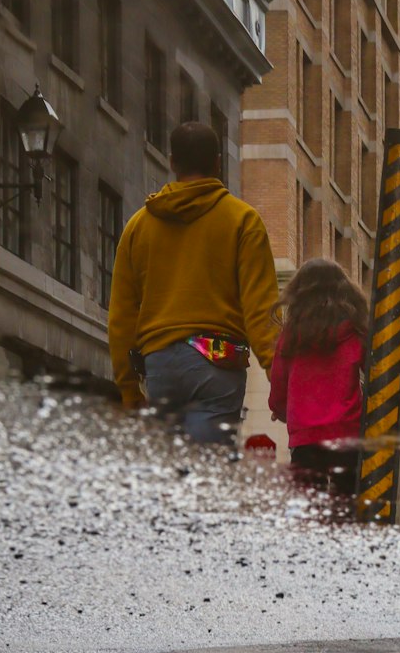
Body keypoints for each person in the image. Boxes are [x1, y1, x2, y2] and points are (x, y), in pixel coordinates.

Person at [107, 122, 279, 444]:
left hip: (159, 364)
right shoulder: (243, 220)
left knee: (174, 475)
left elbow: (121, 314)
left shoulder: (138, 226)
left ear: (172, 163)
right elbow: (261, 310)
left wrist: (129, 390)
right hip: (217, 359)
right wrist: (278, 380)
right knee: (205, 474)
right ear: (218, 163)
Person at [269, 258, 400, 500]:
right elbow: (385, 384)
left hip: (306, 440)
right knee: (349, 507)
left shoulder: (290, 336)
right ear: (344, 293)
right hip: (347, 437)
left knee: (309, 513)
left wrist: (279, 410)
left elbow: (279, 384)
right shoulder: (355, 333)